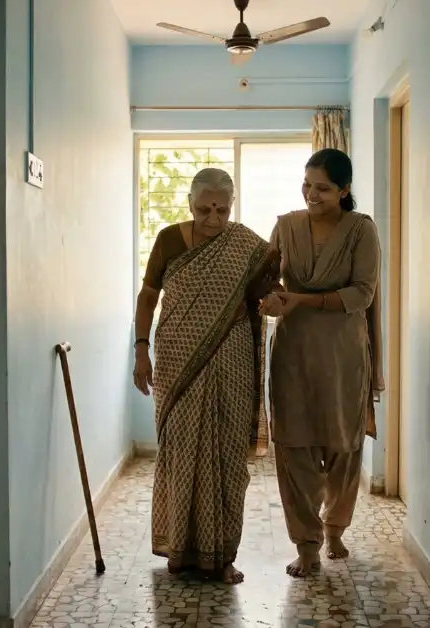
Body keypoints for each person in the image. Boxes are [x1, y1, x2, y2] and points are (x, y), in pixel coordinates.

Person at [133, 167, 280, 585]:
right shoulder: (168, 240)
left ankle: (223, 556)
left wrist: (275, 300)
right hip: (177, 357)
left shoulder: (247, 245)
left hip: (231, 355)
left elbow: (267, 291)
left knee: (228, 456)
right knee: (179, 452)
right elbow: (148, 296)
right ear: (189, 204)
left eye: (221, 209)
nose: (213, 218)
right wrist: (141, 350)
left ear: (232, 205)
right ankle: (179, 551)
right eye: (204, 209)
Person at [260, 148, 384, 577]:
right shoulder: (286, 227)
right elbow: (268, 279)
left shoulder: (361, 232)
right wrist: (274, 299)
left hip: (343, 356)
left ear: (345, 190)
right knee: (294, 446)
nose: (312, 194)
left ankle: (335, 528)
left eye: (323, 188)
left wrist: (302, 300)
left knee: (343, 447)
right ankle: (307, 543)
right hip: (293, 353)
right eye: (307, 184)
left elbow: (361, 295)